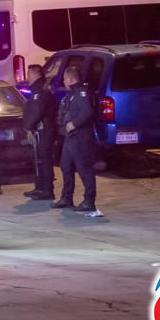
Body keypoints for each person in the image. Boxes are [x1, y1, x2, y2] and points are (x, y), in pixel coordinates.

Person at [53, 66, 99, 212]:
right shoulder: (72, 94)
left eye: (65, 79)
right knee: (65, 166)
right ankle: (67, 198)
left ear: (72, 79)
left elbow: (87, 111)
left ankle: (89, 201)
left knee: (84, 169)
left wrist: (74, 124)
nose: (64, 81)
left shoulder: (82, 93)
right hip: (70, 139)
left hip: (80, 137)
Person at [21, 64, 58, 201]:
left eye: (29, 74)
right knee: (39, 160)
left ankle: (47, 190)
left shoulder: (39, 91)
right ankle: (40, 188)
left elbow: (36, 112)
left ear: (36, 75)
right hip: (40, 130)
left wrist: (28, 127)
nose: (27, 77)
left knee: (44, 160)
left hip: (43, 130)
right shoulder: (38, 89)